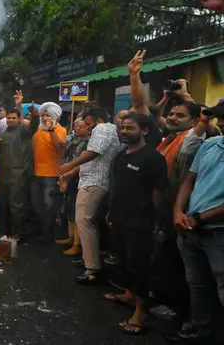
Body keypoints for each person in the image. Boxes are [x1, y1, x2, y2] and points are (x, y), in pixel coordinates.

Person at [101, 114, 168, 335]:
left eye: (130, 128)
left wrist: (155, 220)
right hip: (119, 217)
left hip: (140, 220)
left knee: (138, 265)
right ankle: (129, 295)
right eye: (122, 128)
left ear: (145, 131)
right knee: (124, 259)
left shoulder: (153, 158)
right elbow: (117, 188)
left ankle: (141, 313)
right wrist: (111, 211)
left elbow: (158, 193)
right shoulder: (121, 155)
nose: (124, 131)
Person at [162, 135, 224, 343]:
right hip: (191, 228)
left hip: (218, 232)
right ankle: (200, 330)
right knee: (197, 284)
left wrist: (200, 218)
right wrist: (178, 210)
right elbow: (190, 179)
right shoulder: (210, 145)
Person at [60, 107, 120, 284]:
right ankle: (89, 260)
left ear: (98, 121)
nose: (86, 127)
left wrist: (69, 165)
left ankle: (93, 268)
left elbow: (93, 153)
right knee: (84, 221)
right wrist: (72, 172)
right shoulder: (103, 131)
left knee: (84, 220)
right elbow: (92, 157)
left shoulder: (103, 129)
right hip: (89, 181)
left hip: (94, 183)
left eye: (87, 124)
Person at [0, 94, 39, 241]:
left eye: (14, 118)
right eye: (8, 117)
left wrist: (34, 114)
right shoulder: (2, 133)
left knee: (17, 204)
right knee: (4, 203)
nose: (10, 120)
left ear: (19, 119)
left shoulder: (23, 131)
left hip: (19, 173)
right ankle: (6, 231)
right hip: (4, 173)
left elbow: (33, 126)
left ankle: (18, 232)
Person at [30, 102, 67, 243]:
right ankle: (42, 229)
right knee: (37, 204)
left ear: (55, 117)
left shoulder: (60, 130)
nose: (45, 118)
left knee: (49, 204)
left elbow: (58, 147)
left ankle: (48, 234)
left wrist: (51, 130)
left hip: (51, 174)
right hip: (35, 172)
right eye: (43, 115)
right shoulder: (38, 129)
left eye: (48, 115)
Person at [58, 118, 90, 256]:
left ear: (88, 128)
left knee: (76, 210)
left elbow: (79, 163)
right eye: (76, 126)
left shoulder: (87, 143)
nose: (78, 128)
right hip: (67, 174)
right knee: (69, 208)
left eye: (82, 126)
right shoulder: (73, 140)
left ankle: (77, 244)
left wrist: (67, 177)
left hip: (77, 177)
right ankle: (70, 237)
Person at [127, 50, 166, 148]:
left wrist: (134, 74)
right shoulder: (126, 142)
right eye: (129, 114)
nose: (129, 118)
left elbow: (138, 103)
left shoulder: (150, 133)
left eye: (135, 114)